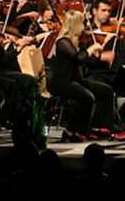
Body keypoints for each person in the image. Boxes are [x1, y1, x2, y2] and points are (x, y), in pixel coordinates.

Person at [48, 10, 116, 142]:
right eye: (83, 23)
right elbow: (78, 58)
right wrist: (91, 50)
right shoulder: (62, 42)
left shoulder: (76, 41)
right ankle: (71, 131)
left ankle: (98, 126)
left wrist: (99, 48)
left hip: (75, 80)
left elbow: (85, 59)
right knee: (87, 97)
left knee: (106, 90)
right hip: (62, 82)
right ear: (76, 25)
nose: (85, 26)